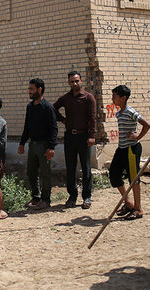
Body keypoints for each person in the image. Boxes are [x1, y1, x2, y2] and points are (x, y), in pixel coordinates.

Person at [53, 71, 97, 210]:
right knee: (71, 167)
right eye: (72, 81)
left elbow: (93, 118)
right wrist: (63, 120)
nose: (75, 83)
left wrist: (92, 136)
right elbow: (53, 108)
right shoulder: (66, 98)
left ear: (81, 81)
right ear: (69, 83)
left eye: (77, 81)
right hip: (70, 137)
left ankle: (87, 197)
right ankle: (72, 196)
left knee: (86, 167)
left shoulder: (88, 98)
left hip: (84, 137)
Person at [109, 85, 150, 220]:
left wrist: (137, 137)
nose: (112, 99)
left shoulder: (130, 112)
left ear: (123, 98)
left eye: (115, 96)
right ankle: (128, 203)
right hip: (121, 149)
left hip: (132, 150)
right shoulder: (119, 113)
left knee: (134, 178)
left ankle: (138, 209)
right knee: (114, 174)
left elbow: (146, 125)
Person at [18, 78, 58, 210]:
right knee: (31, 172)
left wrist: (51, 147)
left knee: (45, 173)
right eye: (29, 89)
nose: (29, 91)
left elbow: (53, 128)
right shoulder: (30, 107)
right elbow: (27, 127)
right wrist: (22, 143)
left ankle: (45, 200)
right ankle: (36, 198)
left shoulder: (48, 107)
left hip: (44, 145)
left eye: (31, 89)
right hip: (33, 145)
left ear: (39, 90)